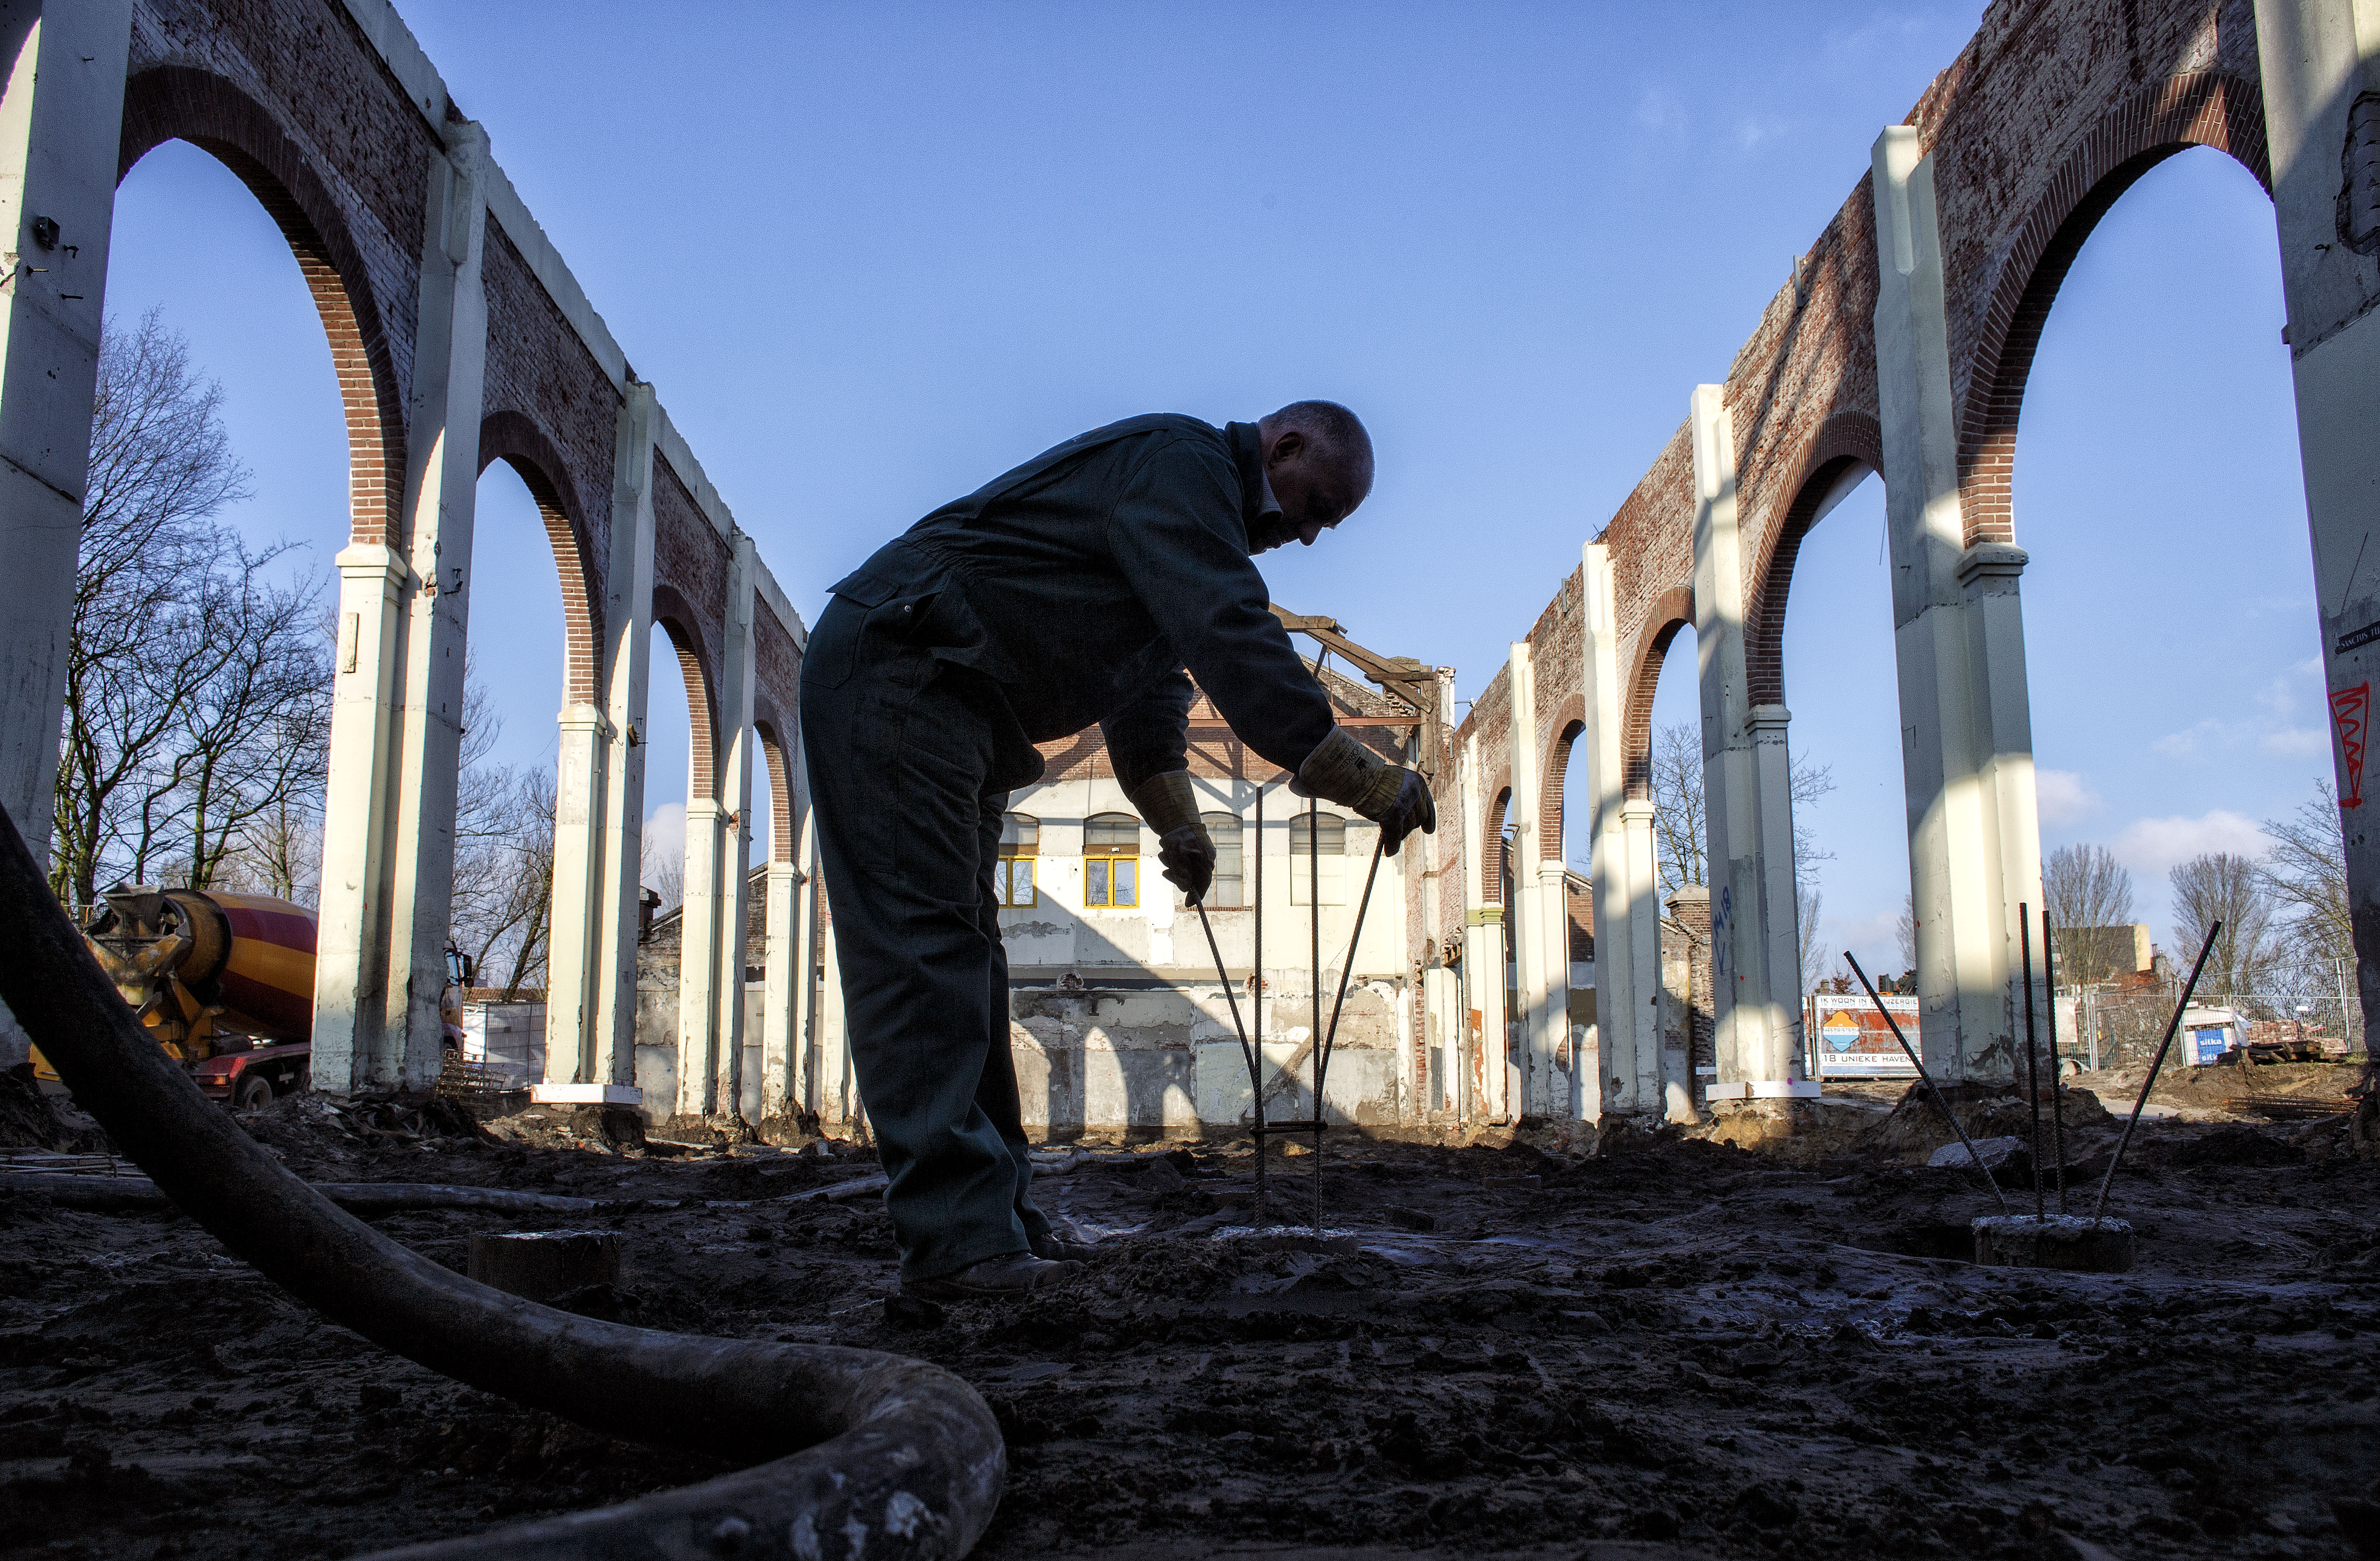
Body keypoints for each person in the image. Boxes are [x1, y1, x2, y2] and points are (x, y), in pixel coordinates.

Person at [800, 402, 1435, 1301]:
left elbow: (1147, 694)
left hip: (959, 703)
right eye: (1313, 506)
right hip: (904, 668)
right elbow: (1228, 631)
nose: (1305, 535)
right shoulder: (1182, 469)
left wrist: (1177, 820)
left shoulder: (1178, 520)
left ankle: (997, 1220)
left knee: (964, 961)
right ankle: (958, 1245)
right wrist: (1357, 775)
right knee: (921, 951)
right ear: (1282, 446)